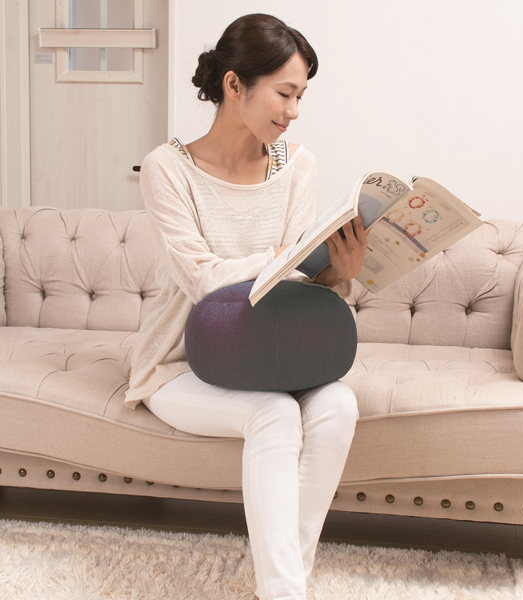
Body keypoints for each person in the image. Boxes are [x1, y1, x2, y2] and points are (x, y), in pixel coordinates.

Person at [124, 13, 368, 600]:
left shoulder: (297, 167)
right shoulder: (167, 169)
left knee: (338, 405)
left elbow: (293, 283)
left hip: (274, 354)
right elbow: (203, 280)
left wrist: (338, 273)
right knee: (275, 416)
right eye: (285, 93)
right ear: (235, 85)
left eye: (301, 96)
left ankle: (282, 587)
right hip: (180, 364)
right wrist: (282, 256)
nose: (294, 111)